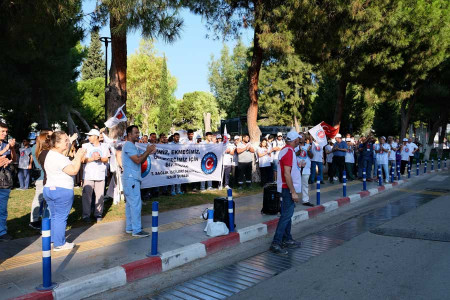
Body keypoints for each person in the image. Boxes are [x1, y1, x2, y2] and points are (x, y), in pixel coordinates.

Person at [44, 131, 86, 251]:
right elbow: (73, 170)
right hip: (61, 190)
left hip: (50, 189)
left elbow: (68, 166)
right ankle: (59, 243)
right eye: (66, 141)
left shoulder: (51, 154)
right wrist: (78, 156)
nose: (68, 143)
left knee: (55, 216)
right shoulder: (58, 157)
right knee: (60, 217)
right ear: (57, 143)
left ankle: (53, 240)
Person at [270, 131, 302, 255]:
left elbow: (288, 170)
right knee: (286, 216)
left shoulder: (286, 150)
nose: (299, 141)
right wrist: (293, 192)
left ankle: (287, 239)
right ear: (294, 141)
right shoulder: (289, 151)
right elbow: (286, 173)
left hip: (285, 187)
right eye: (298, 139)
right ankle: (276, 242)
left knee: (287, 215)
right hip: (287, 188)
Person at [122, 125, 156, 237]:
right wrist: (147, 151)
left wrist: (148, 153)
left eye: (138, 132)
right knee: (136, 204)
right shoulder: (129, 145)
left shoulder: (131, 146)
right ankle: (136, 230)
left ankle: (130, 227)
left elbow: (140, 160)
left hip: (131, 178)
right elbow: (137, 160)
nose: (138, 135)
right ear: (129, 135)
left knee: (130, 204)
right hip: (131, 179)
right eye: (135, 133)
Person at [81, 129, 111, 222]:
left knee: (100, 196)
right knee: (87, 196)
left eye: (90, 136)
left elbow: (107, 159)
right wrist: (92, 158)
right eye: (88, 136)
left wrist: (101, 158)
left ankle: (98, 214)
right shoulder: (85, 146)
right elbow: (82, 160)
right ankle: (86, 215)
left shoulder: (105, 146)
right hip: (88, 175)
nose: (88, 137)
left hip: (100, 174)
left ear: (96, 137)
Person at [29, 131, 52, 230]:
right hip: (42, 178)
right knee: (39, 200)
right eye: (48, 137)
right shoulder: (41, 150)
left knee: (41, 200)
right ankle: (34, 221)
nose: (50, 139)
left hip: (43, 177)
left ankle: (38, 220)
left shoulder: (36, 148)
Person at [0, 121, 17, 241]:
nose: (5, 133)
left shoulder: (6, 144)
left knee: (2, 209)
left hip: (4, 180)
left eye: (6, 131)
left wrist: (12, 149)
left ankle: (2, 232)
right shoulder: (4, 146)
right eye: (2, 131)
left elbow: (14, 158)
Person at [295, 134, 314, 206]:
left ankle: (305, 200)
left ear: (305, 138)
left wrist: (308, 151)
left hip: (306, 169)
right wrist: (298, 152)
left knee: (305, 185)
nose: (300, 138)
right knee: (295, 185)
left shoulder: (308, 146)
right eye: (299, 136)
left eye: (302, 136)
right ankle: (293, 200)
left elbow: (312, 156)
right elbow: (293, 155)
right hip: (296, 169)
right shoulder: (295, 146)